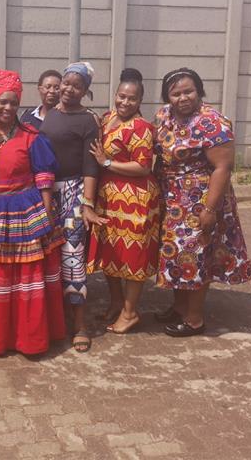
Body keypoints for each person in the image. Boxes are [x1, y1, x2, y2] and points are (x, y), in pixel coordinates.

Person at [154, 67, 251, 337]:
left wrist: (210, 209)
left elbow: (223, 167)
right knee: (175, 253)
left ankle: (194, 318)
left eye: (189, 91)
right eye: (176, 94)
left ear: (199, 91)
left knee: (196, 255)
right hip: (171, 199)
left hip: (200, 200)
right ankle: (179, 307)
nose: (183, 98)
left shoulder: (212, 122)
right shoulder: (163, 115)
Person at [0, 68, 66, 356]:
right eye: (3, 102)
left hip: (27, 213)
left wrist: (48, 214)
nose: (8, 107)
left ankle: (30, 340)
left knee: (28, 277)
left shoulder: (31, 137)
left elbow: (44, 178)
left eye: (13, 102)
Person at [88, 68, 161, 334]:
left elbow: (143, 167)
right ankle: (117, 302)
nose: (125, 102)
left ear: (140, 101)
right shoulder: (107, 118)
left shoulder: (141, 128)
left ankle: (130, 313)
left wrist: (106, 162)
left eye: (132, 98)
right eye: (121, 96)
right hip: (109, 198)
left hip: (135, 199)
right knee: (112, 252)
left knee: (133, 255)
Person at [40, 61, 104, 353]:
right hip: (45, 192)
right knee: (47, 255)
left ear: (85, 91)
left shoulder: (88, 121)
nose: (68, 89)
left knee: (73, 256)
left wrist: (87, 205)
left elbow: (91, 166)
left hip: (74, 194)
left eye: (77, 86)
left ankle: (80, 325)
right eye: (66, 83)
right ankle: (53, 318)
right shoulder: (49, 114)